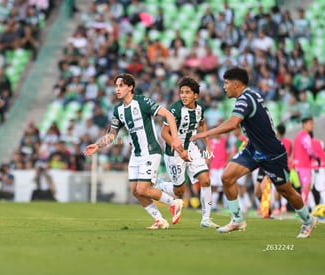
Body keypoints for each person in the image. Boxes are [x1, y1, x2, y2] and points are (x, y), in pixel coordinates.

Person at [191, 67, 318, 238]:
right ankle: (237, 219)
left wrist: (204, 133)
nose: (224, 87)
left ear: (236, 84)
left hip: (271, 152)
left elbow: (233, 123)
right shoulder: (248, 96)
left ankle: (308, 220)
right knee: (227, 177)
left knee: (285, 190)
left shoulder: (246, 99)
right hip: (254, 147)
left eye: (226, 83)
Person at [84, 73, 184, 229]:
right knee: (135, 191)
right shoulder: (119, 110)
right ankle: (160, 220)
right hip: (136, 155)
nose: (117, 89)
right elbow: (112, 135)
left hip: (151, 151)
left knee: (143, 189)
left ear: (130, 87)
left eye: (121, 85)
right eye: (116, 86)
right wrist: (97, 145)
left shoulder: (142, 102)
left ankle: (174, 203)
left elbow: (169, 115)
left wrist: (175, 138)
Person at [159, 76, 220, 228]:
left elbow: (202, 125)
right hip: (173, 152)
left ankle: (206, 219)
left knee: (205, 179)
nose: (184, 96)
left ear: (195, 95)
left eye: (187, 92)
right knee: (179, 191)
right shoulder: (175, 109)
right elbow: (164, 133)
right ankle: (161, 184)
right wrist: (179, 150)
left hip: (191, 148)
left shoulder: (200, 108)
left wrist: (207, 145)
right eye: (181, 92)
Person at [293, 115, 320, 211]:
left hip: (298, 165)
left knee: (304, 187)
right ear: (304, 124)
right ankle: (302, 209)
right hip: (304, 165)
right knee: (307, 186)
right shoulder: (305, 135)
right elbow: (309, 149)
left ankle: (302, 208)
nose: (312, 126)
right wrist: (317, 157)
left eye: (312, 124)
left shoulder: (298, 135)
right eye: (310, 123)